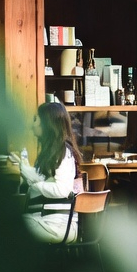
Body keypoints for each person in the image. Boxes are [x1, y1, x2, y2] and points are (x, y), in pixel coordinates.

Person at [20, 102, 84, 242]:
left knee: (2, 229)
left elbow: (62, 190)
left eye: (36, 119)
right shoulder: (51, 152)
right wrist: (26, 174)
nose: (32, 124)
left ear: (47, 123)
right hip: (46, 221)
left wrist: (34, 183)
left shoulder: (63, 152)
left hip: (57, 226)